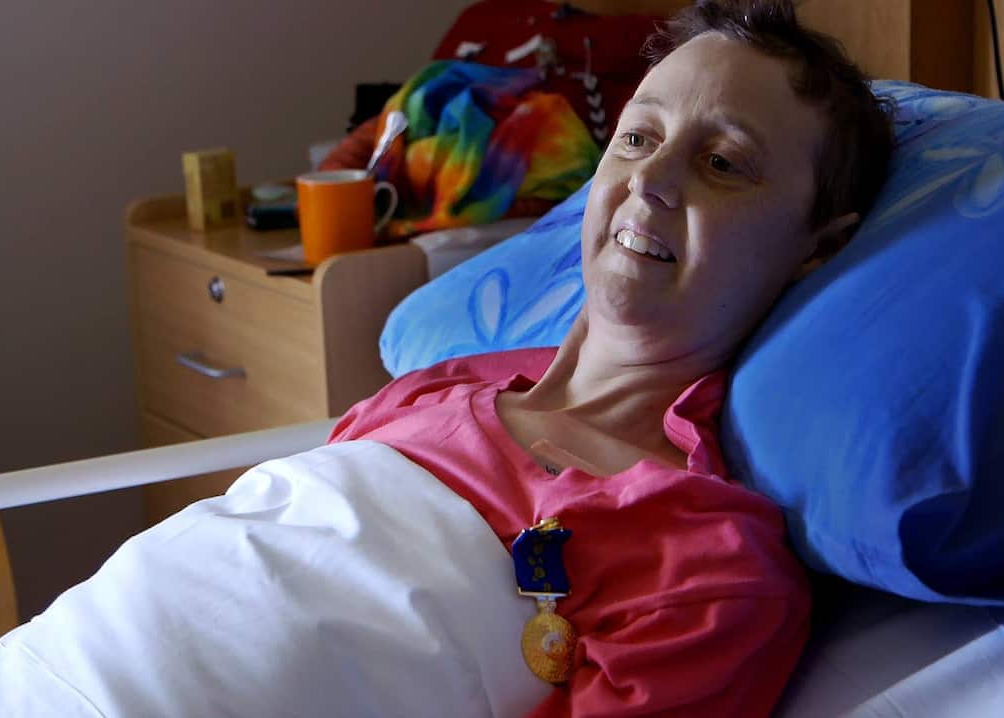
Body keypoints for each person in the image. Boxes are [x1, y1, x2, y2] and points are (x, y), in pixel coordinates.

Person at [329, 0, 895, 715]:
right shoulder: (437, 387)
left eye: (721, 162)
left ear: (818, 246)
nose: (649, 179)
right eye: (637, 137)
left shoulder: (699, 558)